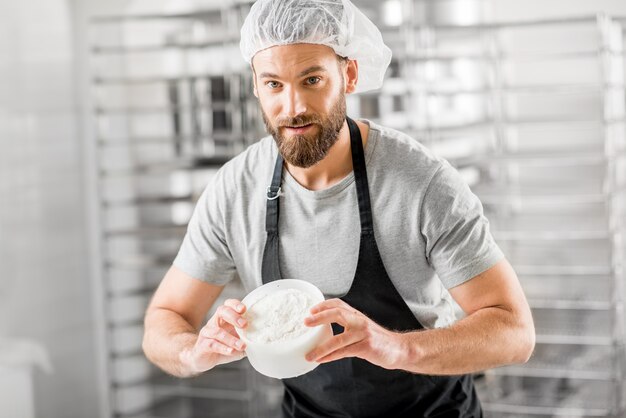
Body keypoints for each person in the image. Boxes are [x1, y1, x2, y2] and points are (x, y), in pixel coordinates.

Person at [142, 0, 536, 416]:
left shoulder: (422, 183)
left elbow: (514, 332)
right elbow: (166, 319)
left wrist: (396, 347)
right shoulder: (235, 189)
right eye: (274, 84)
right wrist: (194, 352)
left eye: (311, 79)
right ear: (255, 85)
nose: (292, 107)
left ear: (348, 75)